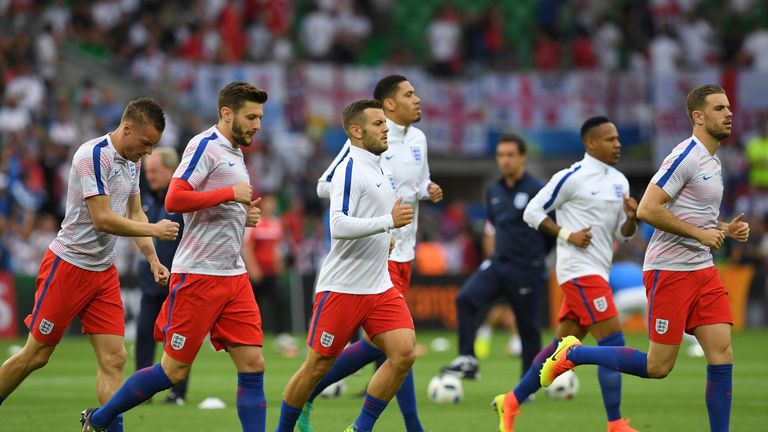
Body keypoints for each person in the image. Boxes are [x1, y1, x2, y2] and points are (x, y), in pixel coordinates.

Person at [539, 84, 747, 432]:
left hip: (702, 270)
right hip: (670, 270)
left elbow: (696, 216)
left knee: (722, 354)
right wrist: (700, 235)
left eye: (728, 107)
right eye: (719, 108)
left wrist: (724, 227)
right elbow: (649, 209)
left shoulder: (713, 159)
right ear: (698, 117)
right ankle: (573, 354)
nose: (729, 113)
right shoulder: (685, 156)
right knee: (658, 366)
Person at [80, 82, 267, 431]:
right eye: (251, 116)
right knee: (173, 371)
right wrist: (230, 194)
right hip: (199, 275)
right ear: (227, 113)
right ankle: (100, 418)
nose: (257, 124)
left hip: (234, 276)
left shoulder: (235, 152)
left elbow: (220, 204)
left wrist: (244, 213)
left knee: (254, 364)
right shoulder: (204, 146)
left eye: (259, 117)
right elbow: (175, 200)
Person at [0, 98, 179, 432]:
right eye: (146, 143)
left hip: (103, 272)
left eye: (153, 145)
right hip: (67, 266)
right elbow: (102, 220)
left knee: (115, 359)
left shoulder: (132, 161)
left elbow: (135, 211)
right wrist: (154, 229)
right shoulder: (91, 155)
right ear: (127, 128)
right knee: (35, 356)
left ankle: (107, 428)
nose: (149, 151)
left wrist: (152, 257)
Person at [301, 74, 442, 432]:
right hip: (380, 251)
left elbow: (416, 183)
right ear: (389, 104)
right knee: (398, 345)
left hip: (405, 248)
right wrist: (374, 213)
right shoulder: (366, 141)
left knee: (387, 346)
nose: (418, 99)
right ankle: (410, 425)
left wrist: (428, 189)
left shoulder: (419, 139)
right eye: (409, 94)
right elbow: (325, 185)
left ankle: (310, 391)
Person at [275, 99, 417, 432]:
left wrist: (384, 239)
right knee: (316, 368)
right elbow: (338, 225)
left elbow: (366, 220)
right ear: (356, 130)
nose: (386, 129)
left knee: (404, 353)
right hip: (342, 288)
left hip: (379, 286)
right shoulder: (350, 169)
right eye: (378, 124)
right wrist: (386, 223)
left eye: (385, 123)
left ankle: (360, 428)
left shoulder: (380, 165)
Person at [493, 116, 640, 432]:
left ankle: (511, 401)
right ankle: (615, 423)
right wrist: (566, 235)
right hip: (578, 272)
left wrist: (630, 219)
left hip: (598, 271)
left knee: (557, 349)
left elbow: (624, 236)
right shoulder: (571, 177)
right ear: (591, 143)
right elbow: (531, 212)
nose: (618, 144)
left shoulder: (619, 181)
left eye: (618, 138)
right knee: (613, 343)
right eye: (611, 139)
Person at [441, 134, 550, 380]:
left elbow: (550, 231)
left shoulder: (538, 190)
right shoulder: (494, 189)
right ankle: (468, 359)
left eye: (510, 155)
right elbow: (493, 226)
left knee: (527, 328)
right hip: (499, 263)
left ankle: (528, 384)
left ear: (523, 157)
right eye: (501, 155)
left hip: (526, 268)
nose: (505, 160)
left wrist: (535, 258)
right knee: (465, 299)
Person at [134, 147, 190, 404]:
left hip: (178, 284)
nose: (150, 175)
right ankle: (141, 392)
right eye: (148, 171)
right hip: (149, 284)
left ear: (171, 171)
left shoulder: (182, 201)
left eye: (155, 170)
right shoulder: (144, 200)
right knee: (144, 336)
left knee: (178, 340)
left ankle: (177, 392)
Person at [241, 193, 297, 356]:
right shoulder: (254, 222)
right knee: (253, 305)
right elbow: (248, 248)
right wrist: (253, 269)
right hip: (258, 271)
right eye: (269, 202)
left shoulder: (277, 223)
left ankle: (281, 335)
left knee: (279, 302)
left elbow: (277, 248)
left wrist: (279, 266)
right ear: (262, 204)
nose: (271, 206)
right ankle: (250, 335)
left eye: (273, 202)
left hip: (272, 271)